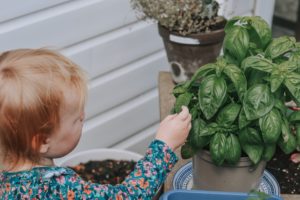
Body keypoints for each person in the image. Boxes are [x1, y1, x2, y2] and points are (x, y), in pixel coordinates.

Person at [0, 49, 191, 199]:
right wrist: (164, 146)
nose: (83, 116)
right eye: (76, 119)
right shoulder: (54, 186)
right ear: (41, 141)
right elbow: (128, 197)